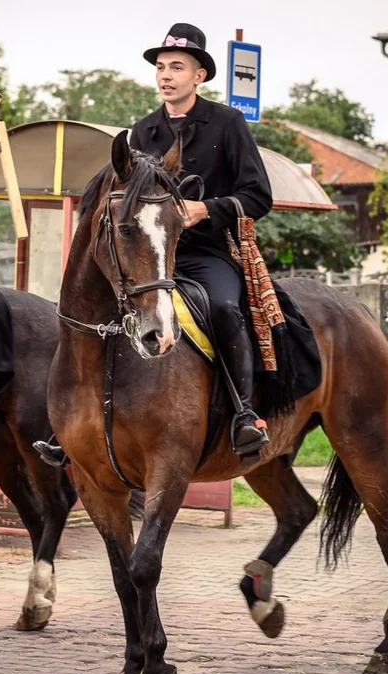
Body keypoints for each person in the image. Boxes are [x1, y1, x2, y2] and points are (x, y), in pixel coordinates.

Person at [132, 23, 273, 454]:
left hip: (207, 253)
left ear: (200, 76)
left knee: (226, 308)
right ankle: (72, 424)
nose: (165, 75)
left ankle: (245, 413)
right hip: (149, 258)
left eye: (177, 66)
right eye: (161, 67)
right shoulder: (141, 132)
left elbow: (259, 196)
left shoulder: (228, 123)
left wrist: (207, 208)